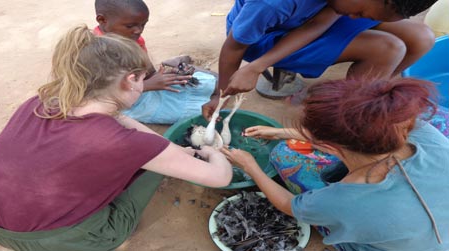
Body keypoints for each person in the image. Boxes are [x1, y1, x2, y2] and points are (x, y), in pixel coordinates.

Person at [0, 25, 232, 251]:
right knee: (153, 171)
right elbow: (221, 177)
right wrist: (213, 153)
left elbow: (118, 117)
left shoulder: (40, 102)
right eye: (142, 79)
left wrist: (169, 148)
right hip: (47, 238)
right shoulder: (125, 144)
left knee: (152, 156)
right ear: (130, 80)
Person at [222, 77, 449, 250]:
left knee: (284, 157)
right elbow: (350, 137)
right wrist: (280, 132)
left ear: (328, 146)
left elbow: (288, 205)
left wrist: (250, 165)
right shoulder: (412, 127)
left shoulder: (341, 201)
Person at [202, 0, 439, 120]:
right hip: (264, 37)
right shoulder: (271, 4)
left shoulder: (344, 4)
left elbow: (322, 20)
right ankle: (342, 116)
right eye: (361, 14)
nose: (357, 18)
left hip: (310, 19)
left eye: (361, 15)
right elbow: (235, 47)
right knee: (388, 48)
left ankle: (354, 99)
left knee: (422, 37)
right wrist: (222, 94)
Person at [95, 0, 216, 124]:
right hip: (128, 102)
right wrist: (147, 85)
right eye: (130, 26)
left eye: (143, 25)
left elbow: (149, 72)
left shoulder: (133, 38)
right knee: (198, 112)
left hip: (146, 86)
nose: (138, 30)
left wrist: (169, 74)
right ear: (102, 20)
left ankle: (174, 65)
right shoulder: (96, 53)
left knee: (209, 84)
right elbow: (105, 95)